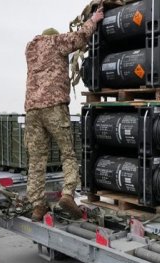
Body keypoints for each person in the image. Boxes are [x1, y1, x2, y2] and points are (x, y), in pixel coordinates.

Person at [24, 7, 104, 222]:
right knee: (67, 153)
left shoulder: (30, 49)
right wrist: (94, 20)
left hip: (32, 110)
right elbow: (79, 38)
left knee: (37, 160)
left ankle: (37, 206)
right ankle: (68, 194)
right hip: (54, 106)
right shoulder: (55, 42)